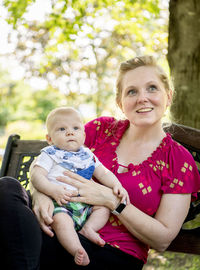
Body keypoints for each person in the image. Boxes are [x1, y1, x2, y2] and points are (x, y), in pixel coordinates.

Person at [0, 55, 200, 270]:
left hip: (111, 253)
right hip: (59, 229)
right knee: (7, 187)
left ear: (168, 97)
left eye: (152, 88)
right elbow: (49, 160)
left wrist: (112, 202)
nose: (142, 98)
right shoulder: (100, 130)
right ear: (120, 103)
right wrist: (40, 194)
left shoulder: (178, 160)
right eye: (132, 91)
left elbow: (162, 238)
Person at [30, 106, 129, 266]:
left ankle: (88, 229)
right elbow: (36, 175)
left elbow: (103, 173)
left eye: (75, 128)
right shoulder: (50, 154)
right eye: (62, 129)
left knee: (103, 209)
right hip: (61, 204)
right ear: (49, 138)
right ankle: (76, 249)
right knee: (61, 221)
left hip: (85, 205)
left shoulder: (88, 154)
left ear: (83, 135)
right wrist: (51, 190)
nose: (70, 132)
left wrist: (117, 185)